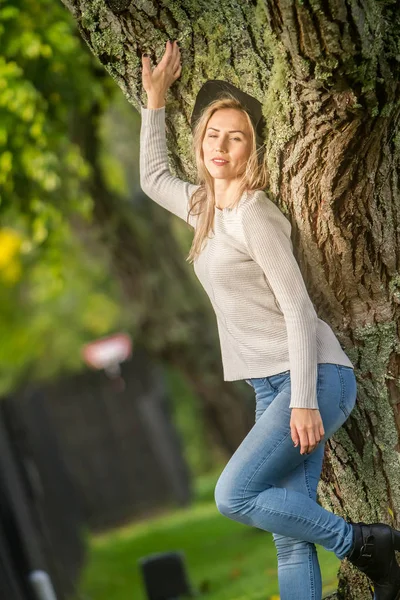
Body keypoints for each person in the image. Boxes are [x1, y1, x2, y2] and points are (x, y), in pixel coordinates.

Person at [140, 40, 400, 600]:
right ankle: (365, 549)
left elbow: (299, 310)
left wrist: (304, 399)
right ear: (200, 141)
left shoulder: (254, 213)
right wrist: (154, 100)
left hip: (313, 378)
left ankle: (362, 543)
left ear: (251, 148)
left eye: (236, 137)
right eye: (213, 134)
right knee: (289, 534)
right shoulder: (205, 210)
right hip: (271, 385)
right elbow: (152, 178)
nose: (222, 146)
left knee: (233, 495)